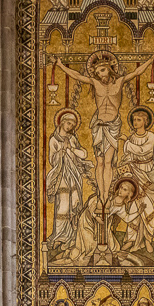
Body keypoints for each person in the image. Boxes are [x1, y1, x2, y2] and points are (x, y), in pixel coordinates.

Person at [54, 51, 154, 198]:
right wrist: (60, 65)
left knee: (108, 162)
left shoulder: (120, 81)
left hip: (113, 126)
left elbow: (136, 72)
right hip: (98, 127)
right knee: (100, 163)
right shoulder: (95, 83)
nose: (100, 75)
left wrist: (150, 60)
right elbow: (77, 76)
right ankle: (100, 195)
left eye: (102, 70)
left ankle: (106, 197)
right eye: (97, 73)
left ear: (109, 68)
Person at [45, 109, 94, 259]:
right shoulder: (54, 139)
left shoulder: (72, 139)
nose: (70, 126)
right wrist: (62, 150)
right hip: (61, 175)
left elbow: (83, 154)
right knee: (63, 205)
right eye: (68, 123)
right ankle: (60, 236)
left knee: (75, 203)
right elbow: (52, 159)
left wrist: (70, 148)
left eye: (72, 125)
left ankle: (73, 236)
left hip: (74, 176)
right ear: (61, 122)